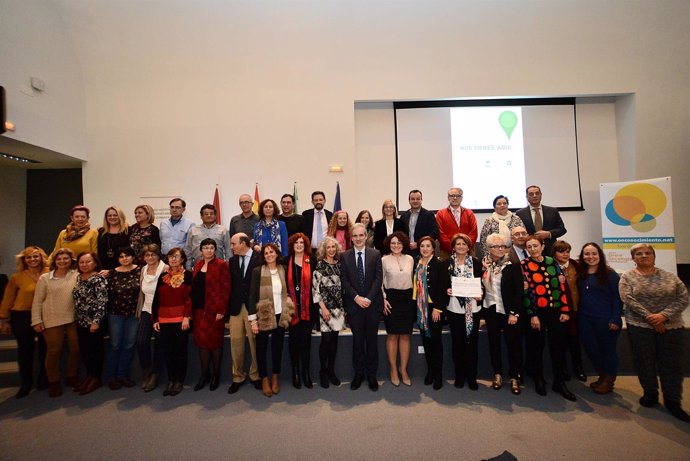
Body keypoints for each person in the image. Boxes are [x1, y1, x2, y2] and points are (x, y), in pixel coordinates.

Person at [619, 243, 689, 422]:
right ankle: (650, 392)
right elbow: (628, 299)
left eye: (648, 253)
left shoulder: (670, 277)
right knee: (644, 361)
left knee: (672, 364)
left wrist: (663, 316)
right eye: (639, 254)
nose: (644, 256)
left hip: (671, 326)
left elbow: (683, 297)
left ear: (654, 256)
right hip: (640, 325)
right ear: (633, 258)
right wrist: (651, 317)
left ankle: (673, 400)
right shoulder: (627, 277)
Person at [522, 235, 576, 401]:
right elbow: (526, 293)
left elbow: (561, 288)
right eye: (529, 247)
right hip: (537, 313)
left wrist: (565, 310)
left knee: (558, 347)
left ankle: (559, 382)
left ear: (543, 246)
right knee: (536, 347)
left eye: (535, 246)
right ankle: (539, 379)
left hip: (555, 311)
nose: (533, 249)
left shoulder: (552, 262)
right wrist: (533, 315)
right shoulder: (523, 265)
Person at [30, 248, 80, 397]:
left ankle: (71, 376)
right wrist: (36, 320)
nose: (62, 261)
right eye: (59, 259)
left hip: (72, 318)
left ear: (71, 260)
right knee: (53, 351)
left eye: (66, 258)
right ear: (55, 261)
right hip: (51, 318)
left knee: (75, 349)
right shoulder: (45, 278)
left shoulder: (76, 275)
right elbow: (37, 301)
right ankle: (54, 381)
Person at [1, 246, 49, 398]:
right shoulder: (17, 277)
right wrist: (4, 319)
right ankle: (26, 383)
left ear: (41, 257)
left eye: (35, 256)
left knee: (45, 349)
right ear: (24, 260)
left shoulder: (49, 273)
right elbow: (8, 299)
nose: (32, 259)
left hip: (45, 316)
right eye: (28, 257)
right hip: (21, 316)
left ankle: (43, 379)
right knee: (25, 351)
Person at [248, 243, 295, 397]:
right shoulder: (257, 271)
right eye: (266, 253)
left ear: (276, 253)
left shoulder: (284, 269)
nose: (269, 255)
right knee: (261, 348)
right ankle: (265, 379)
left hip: (280, 314)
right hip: (264, 314)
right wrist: (253, 320)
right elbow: (252, 296)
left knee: (277, 347)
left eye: (271, 252)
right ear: (263, 256)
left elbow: (288, 292)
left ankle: (275, 377)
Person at [340, 223, 383, 391]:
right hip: (354, 306)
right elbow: (344, 280)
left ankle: (372, 375)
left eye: (361, 235)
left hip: (372, 306)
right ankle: (358, 374)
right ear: (351, 238)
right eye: (355, 236)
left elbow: (378, 279)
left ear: (366, 237)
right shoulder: (345, 256)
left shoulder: (375, 254)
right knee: (358, 342)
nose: (358, 239)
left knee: (371, 342)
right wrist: (357, 298)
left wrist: (368, 299)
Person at [575, 242, 622, 395]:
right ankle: (602, 376)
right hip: (584, 318)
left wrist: (615, 318)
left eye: (594, 253)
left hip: (605, 319)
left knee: (607, 350)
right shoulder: (580, 273)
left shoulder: (610, 274)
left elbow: (617, 299)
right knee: (591, 348)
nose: (590, 257)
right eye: (587, 254)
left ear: (600, 255)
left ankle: (609, 380)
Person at [481, 234, 524, 395]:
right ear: (489, 249)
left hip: (509, 312)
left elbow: (519, 292)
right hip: (491, 310)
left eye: (503, 246)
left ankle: (514, 377)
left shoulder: (512, 266)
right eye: (496, 246)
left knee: (513, 344)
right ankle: (497, 374)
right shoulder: (485, 265)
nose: (500, 249)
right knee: (494, 344)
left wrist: (514, 313)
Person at [440, 233, 483, 390]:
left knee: (472, 344)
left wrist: (481, 293)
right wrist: (447, 290)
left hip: (473, 309)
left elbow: (482, 284)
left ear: (469, 246)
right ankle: (459, 375)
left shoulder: (477, 263)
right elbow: (442, 285)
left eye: (464, 244)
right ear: (453, 247)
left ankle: (472, 377)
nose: (461, 247)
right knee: (457, 344)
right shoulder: (446, 264)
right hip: (454, 309)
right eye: (458, 244)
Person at [190, 238, 230, 391]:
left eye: (211, 247)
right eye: (205, 247)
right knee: (202, 344)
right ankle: (204, 375)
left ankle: (216, 375)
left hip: (215, 311)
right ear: (201, 250)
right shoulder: (198, 264)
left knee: (214, 344)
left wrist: (222, 310)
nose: (208, 250)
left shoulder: (221, 265)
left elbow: (225, 289)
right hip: (199, 311)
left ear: (215, 250)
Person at [152, 247, 192, 396]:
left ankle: (179, 381)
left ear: (182, 259)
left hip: (181, 318)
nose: (173, 259)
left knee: (180, 351)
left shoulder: (188, 275)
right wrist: (155, 319)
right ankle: (171, 380)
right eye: (171, 257)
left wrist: (187, 316)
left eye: (177, 256)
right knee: (168, 350)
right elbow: (156, 299)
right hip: (164, 318)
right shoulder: (163, 277)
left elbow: (190, 298)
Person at [227, 233, 261, 394]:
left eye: (234, 244)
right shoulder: (232, 261)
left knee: (255, 345)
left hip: (252, 308)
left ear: (243, 243)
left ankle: (255, 376)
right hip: (235, 309)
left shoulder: (259, 258)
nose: (231, 247)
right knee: (236, 344)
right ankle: (237, 377)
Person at [381, 231, 415, 387]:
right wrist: (383, 299)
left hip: (407, 300)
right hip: (391, 300)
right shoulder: (383, 260)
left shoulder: (410, 259)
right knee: (393, 335)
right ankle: (393, 369)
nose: (396, 246)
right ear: (389, 244)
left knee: (406, 336)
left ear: (404, 244)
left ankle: (404, 369)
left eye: (399, 243)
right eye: (393, 243)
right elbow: (379, 282)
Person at [105, 247, 141, 390]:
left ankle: (122, 375)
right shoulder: (111, 273)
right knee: (115, 345)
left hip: (133, 314)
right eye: (121, 256)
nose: (124, 258)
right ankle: (111, 377)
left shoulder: (141, 270)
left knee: (129, 345)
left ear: (133, 257)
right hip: (115, 314)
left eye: (127, 256)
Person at [72, 252, 108, 395]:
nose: (85, 264)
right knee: (85, 351)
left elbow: (102, 301)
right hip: (81, 321)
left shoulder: (98, 278)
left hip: (94, 322)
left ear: (95, 263)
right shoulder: (78, 278)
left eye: (88, 262)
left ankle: (96, 378)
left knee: (95, 351)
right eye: (82, 262)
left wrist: (96, 321)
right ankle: (89, 376)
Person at [312, 237, 346, 388]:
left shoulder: (339, 266)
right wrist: (323, 309)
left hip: (338, 309)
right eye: (328, 247)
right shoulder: (319, 265)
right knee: (325, 341)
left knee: (334, 342)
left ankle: (331, 370)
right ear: (324, 250)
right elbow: (315, 290)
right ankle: (322, 371)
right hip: (325, 309)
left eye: (333, 247)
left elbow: (342, 288)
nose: (331, 250)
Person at [413, 236, 445, 389]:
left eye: (428, 246)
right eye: (422, 246)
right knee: (426, 342)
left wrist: (438, 309)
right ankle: (430, 371)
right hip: (421, 308)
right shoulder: (417, 263)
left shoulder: (439, 264)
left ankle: (438, 374)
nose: (425, 249)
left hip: (434, 310)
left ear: (433, 248)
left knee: (436, 343)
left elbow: (443, 288)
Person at [552, 240, 586, 382]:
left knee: (575, 341)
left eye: (567, 251)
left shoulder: (576, 265)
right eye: (561, 251)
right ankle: (563, 369)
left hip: (576, 310)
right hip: (558, 312)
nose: (565, 254)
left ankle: (578, 368)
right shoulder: (549, 266)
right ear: (554, 253)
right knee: (560, 343)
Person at [285, 233, 316, 389]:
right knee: (293, 343)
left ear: (305, 245)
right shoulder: (286, 262)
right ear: (292, 245)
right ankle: (295, 373)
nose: (299, 245)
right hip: (291, 310)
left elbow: (316, 287)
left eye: (301, 243)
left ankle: (306, 373)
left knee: (306, 343)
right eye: (296, 243)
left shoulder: (312, 260)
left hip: (308, 310)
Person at [135, 243, 168, 392]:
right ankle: (146, 370)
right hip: (146, 310)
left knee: (160, 345)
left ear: (158, 255)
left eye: (153, 254)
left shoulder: (166, 269)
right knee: (141, 341)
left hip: (161, 312)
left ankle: (155, 374)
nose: (150, 257)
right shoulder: (143, 270)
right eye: (147, 255)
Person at [516, 185, 566, 256]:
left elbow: (562, 229)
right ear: (527, 197)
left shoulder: (552, 211)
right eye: (531, 194)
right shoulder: (520, 213)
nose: (534, 196)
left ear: (541, 195)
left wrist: (548, 234)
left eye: (537, 193)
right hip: (531, 251)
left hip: (550, 250)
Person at [435, 188, 478, 259]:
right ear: (448, 198)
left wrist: (464, 247)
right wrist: (453, 248)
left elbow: (474, 232)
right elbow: (440, 233)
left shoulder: (469, 213)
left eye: (458, 196)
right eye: (452, 196)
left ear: (461, 198)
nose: (455, 198)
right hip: (447, 252)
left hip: (468, 251)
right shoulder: (441, 214)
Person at [185, 204, 231, 269]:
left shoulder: (223, 230)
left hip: (218, 267)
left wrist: (227, 267)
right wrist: (188, 267)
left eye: (211, 214)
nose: (209, 215)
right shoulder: (193, 230)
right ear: (201, 216)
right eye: (206, 214)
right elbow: (188, 250)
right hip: (198, 266)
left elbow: (228, 250)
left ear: (215, 216)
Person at [399, 189, 439, 257]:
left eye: (418, 199)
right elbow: (400, 233)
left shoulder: (429, 215)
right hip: (406, 251)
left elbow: (435, 232)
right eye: (412, 199)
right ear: (409, 200)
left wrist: (418, 244)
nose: (415, 201)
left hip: (424, 251)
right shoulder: (403, 216)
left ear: (421, 200)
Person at [97, 206, 130, 271]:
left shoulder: (128, 231)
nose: (112, 217)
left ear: (120, 216)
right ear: (106, 218)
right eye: (109, 215)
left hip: (123, 269)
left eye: (115, 215)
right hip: (103, 269)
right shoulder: (101, 231)